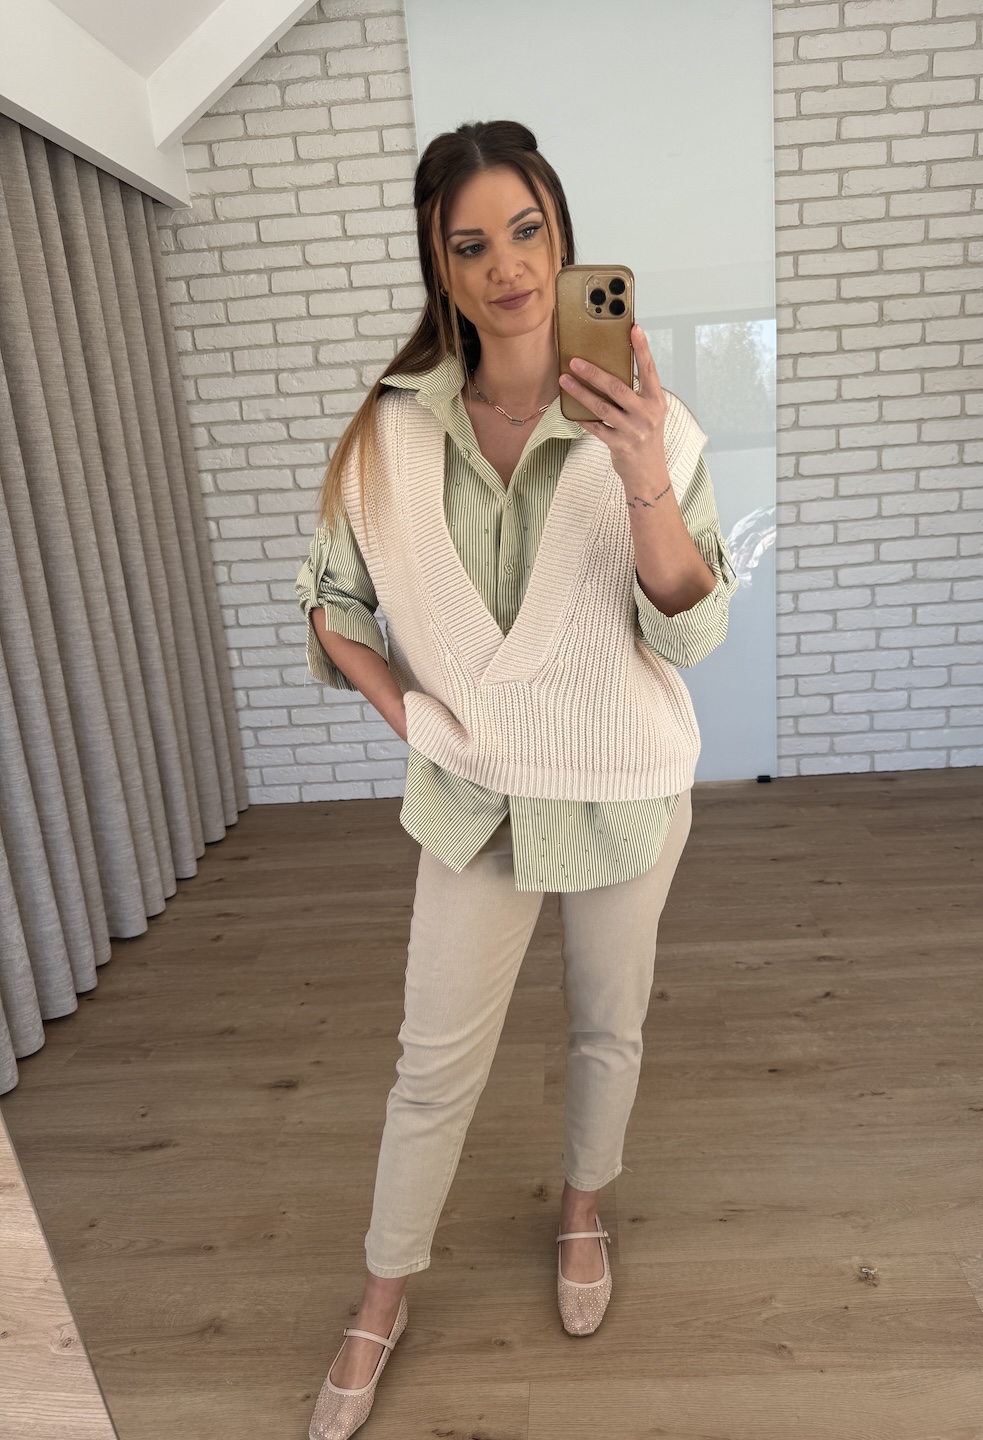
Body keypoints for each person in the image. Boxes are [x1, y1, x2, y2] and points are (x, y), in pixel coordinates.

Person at [296, 119, 738, 1439]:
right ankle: (382, 1295)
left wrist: (643, 475)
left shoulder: (655, 424)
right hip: (473, 796)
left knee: (608, 1025)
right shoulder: (387, 437)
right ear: (441, 265)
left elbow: (688, 631)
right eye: (472, 243)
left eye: (529, 230)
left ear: (564, 237)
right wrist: (416, 720)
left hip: (620, 783)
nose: (508, 266)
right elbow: (332, 602)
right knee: (431, 1064)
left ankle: (582, 1212)